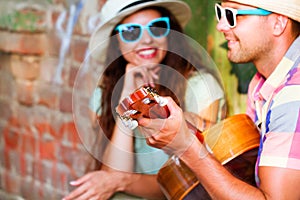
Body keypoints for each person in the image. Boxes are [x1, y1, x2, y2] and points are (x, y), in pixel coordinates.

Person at [63, 0, 226, 199]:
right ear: (117, 41)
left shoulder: (200, 87)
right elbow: (112, 175)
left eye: (157, 28)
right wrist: (126, 101)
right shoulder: (103, 96)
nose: (147, 40)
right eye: (131, 31)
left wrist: (123, 181)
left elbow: (196, 182)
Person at [138, 0, 300, 199]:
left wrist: (186, 146)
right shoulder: (260, 83)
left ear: (278, 23)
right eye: (220, 12)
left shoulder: (293, 93)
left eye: (232, 15)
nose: (220, 25)